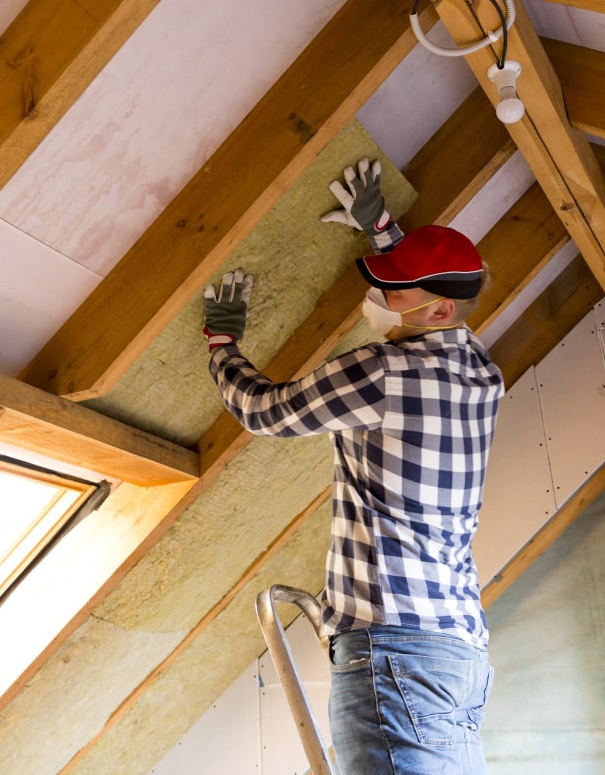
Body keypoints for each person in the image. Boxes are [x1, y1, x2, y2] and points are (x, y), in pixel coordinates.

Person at [202, 159, 504, 775]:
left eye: (395, 291)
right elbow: (436, 291)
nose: (381, 300)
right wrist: (385, 233)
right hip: (455, 654)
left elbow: (265, 411)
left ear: (439, 311)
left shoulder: (383, 373)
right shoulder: (481, 372)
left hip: (394, 656)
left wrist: (221, 347)